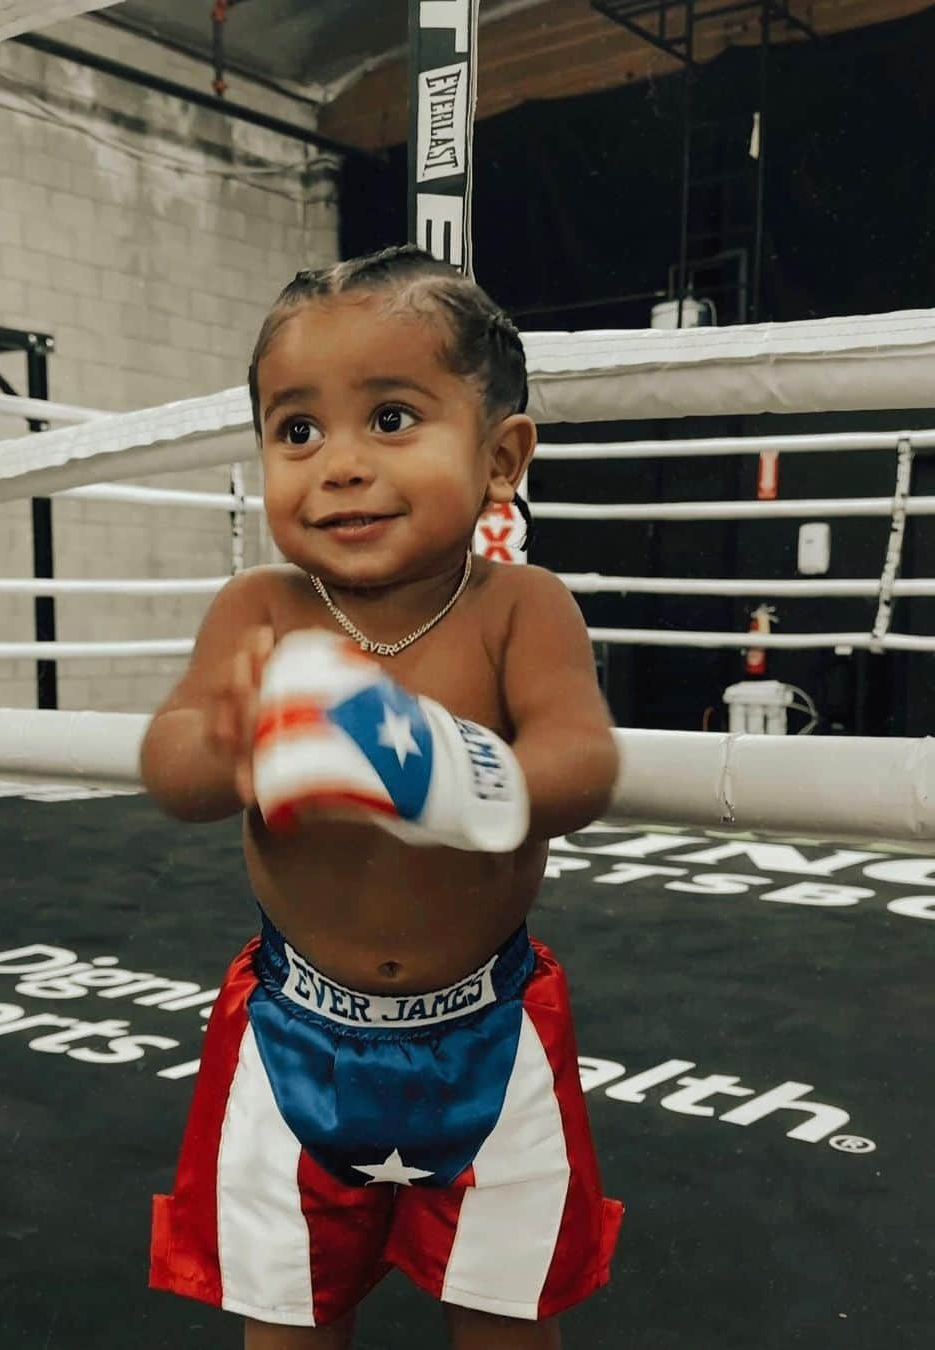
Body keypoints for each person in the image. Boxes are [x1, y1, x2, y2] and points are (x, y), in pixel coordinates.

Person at [142, 244, 623, 1349]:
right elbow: (172, 765)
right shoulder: (259, 607)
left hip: (485, 1035)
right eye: (296, 430)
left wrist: (448, 772)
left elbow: (581, 761)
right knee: (287, 1322)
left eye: (392, 418)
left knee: (507, 1316)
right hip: (294, 1030)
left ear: (501, 458)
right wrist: (236, 743)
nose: (339, 466)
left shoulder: (519, 608)